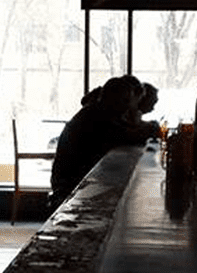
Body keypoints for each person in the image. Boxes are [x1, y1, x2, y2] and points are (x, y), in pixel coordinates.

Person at [50, 76, 157, 207]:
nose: (128, 107)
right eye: (125, 101)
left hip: (74, 180)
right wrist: (154, 128)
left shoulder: (97, 111)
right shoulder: (97, 117)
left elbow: (127, 131)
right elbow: (128, 136)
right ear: (113, 99)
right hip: (70, 185)